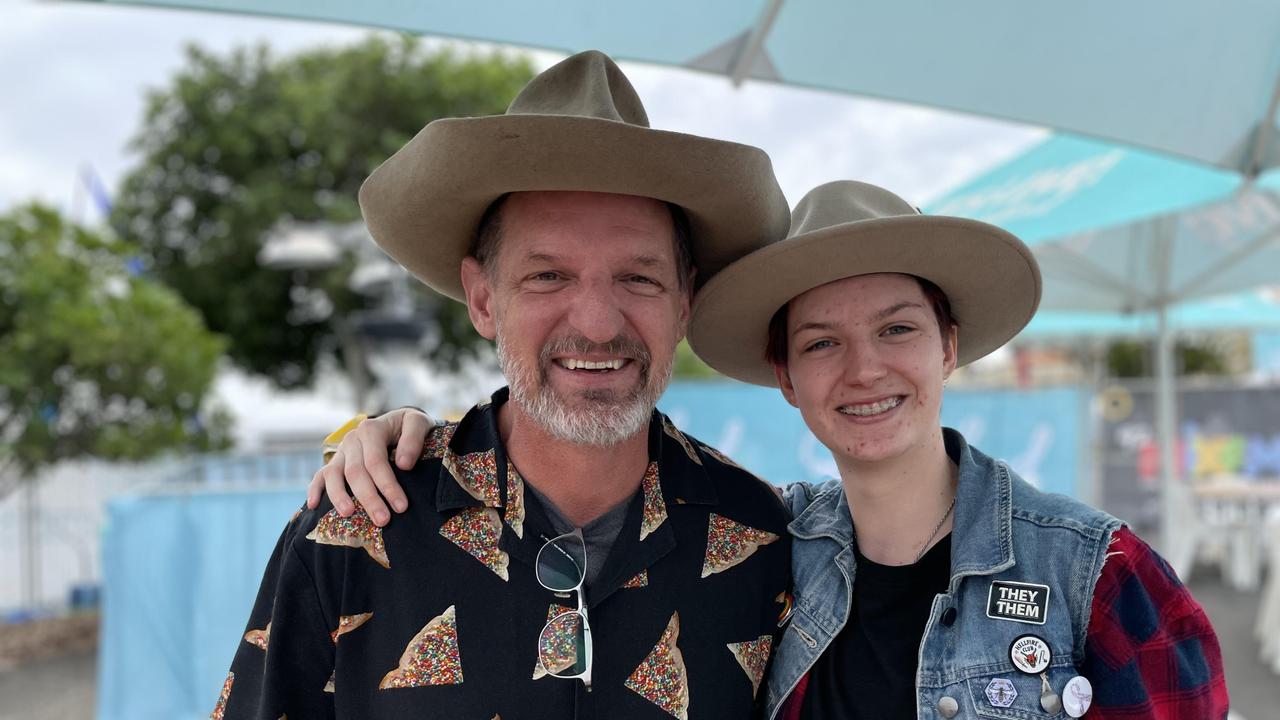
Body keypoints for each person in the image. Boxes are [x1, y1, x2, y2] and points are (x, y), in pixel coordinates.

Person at [316, 181, 1229, 719]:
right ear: (786, 376)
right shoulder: (763, 544)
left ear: (948, 345)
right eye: (822, 341)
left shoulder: (1097, 576)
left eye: (898, 328)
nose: (865, 370)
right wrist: (388, 436)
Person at [219, 50, 795, 720]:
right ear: (483, 298)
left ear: (684, 300)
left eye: (638, 278)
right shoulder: (353, 529)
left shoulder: (760, 539)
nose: (598, 323)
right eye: (547, 276)